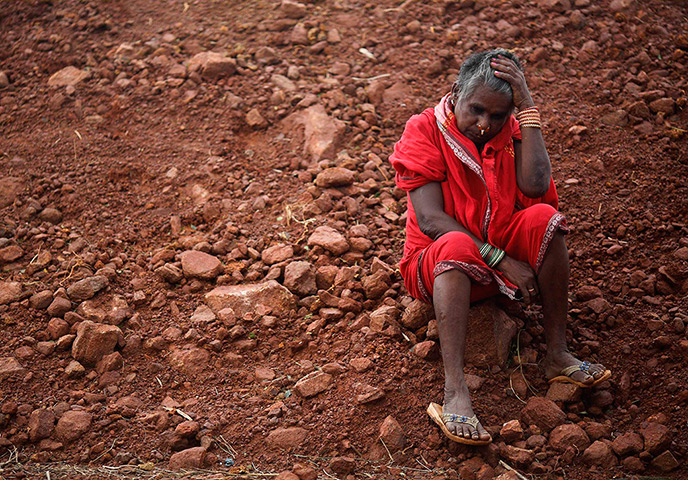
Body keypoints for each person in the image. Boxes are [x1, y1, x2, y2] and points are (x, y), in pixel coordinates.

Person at [389, 49, 610, 445]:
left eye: (498, 115)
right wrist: (502, 259)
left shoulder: (515, 127)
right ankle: (455, 391)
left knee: (546, 219)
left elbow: (536, 187)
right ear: (456, 93)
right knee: (455, 243)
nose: (484, 124)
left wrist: (527, 106)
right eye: (476, 110)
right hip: (437, 265)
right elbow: (430, 219)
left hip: (499, 253)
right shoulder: (424, 129)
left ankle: (557, 354)